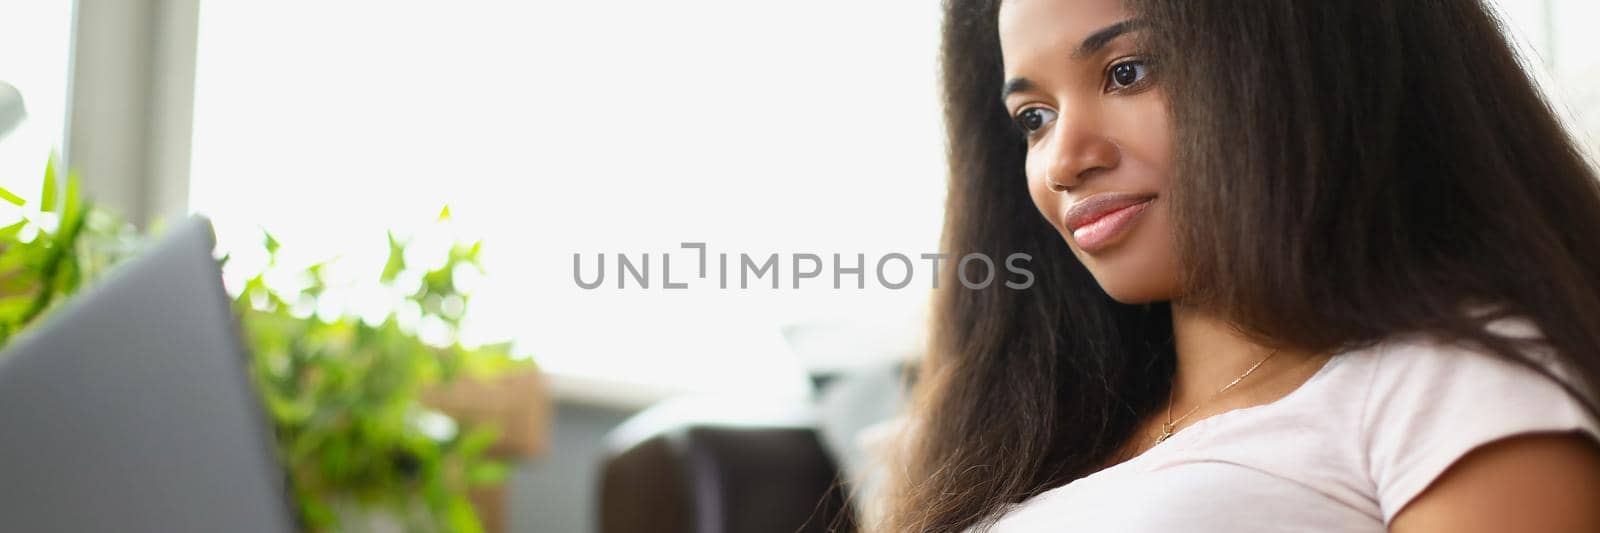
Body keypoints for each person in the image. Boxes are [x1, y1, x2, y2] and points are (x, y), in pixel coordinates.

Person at [872, 0, 1600, 531]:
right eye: (1034, 118)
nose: (1063, 159)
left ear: (1305, 64)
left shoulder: (1444, 382)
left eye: (1126, 71)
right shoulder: (1048, 440)